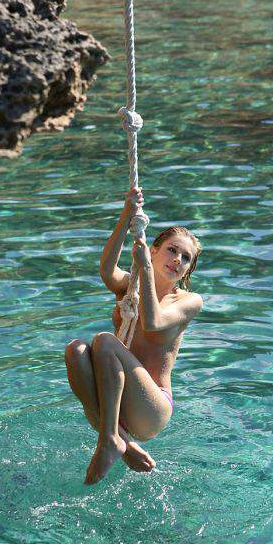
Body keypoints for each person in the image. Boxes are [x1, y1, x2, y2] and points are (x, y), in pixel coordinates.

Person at [65, 186, 203, 484]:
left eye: (186, 258)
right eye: (172, 250)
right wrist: (126, 215)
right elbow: (106, 270)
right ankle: (120, 440)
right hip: (112, 398)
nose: (177, 259)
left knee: (104, 341)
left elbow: (152, 322)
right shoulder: (131, 285)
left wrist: (145, 268)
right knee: (76, 350)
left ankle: (110, 439)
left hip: (151, 407)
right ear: (153, 249)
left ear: (188, 270)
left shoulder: (189, 302)